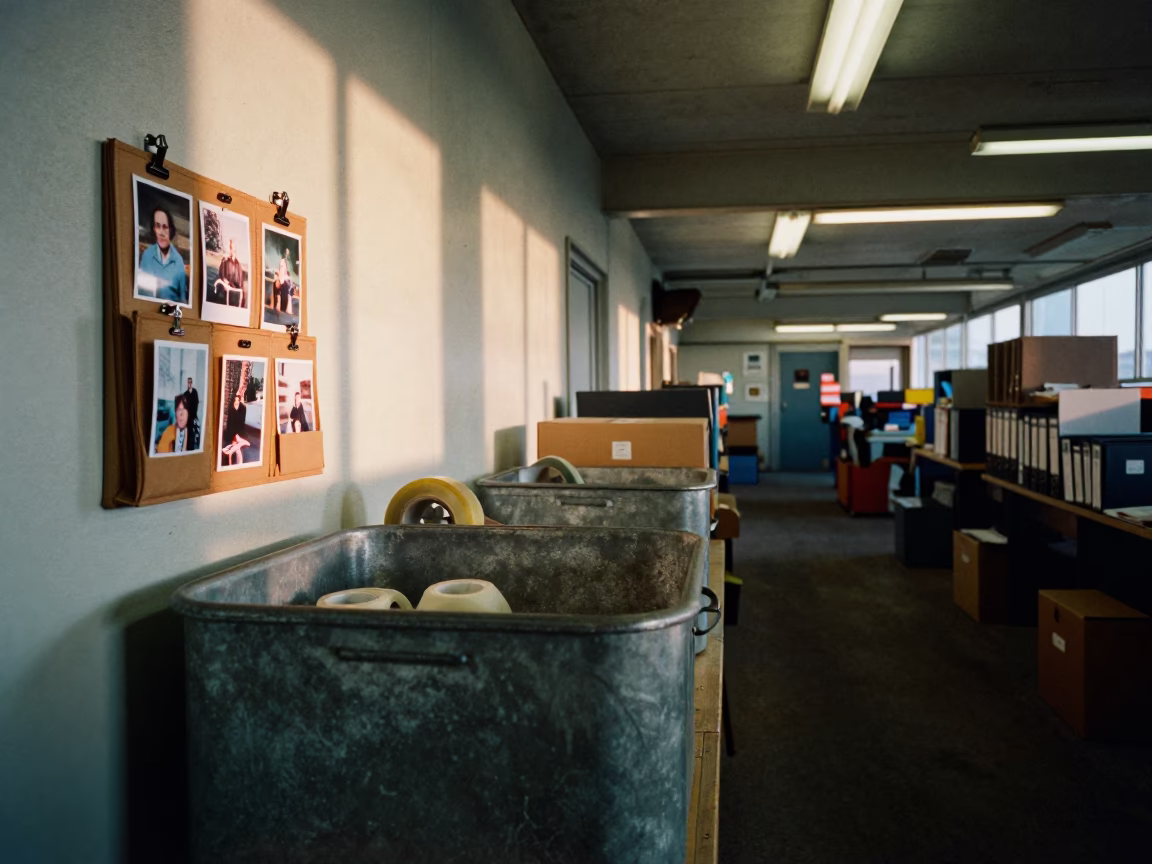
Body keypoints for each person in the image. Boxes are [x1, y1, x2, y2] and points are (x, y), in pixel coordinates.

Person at [138, 204, 188, 303]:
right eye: (157, 226)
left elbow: (183, 298)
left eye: (165, 227)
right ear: (154, 229)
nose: (161, 232)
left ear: (171, 230)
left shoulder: (178, 260)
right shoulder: (147, 255)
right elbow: (144, 295)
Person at [221, 394, 250, 465]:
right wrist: (233, 435)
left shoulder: (242, 408)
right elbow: (230, 423)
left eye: (238, 400)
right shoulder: (231, 409)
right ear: (233, 401)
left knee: (243, 445)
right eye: (235, 400)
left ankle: (229, 450)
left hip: (240, 433)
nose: (237, 402)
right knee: (237, 450)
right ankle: (234, 462)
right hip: (233, 433)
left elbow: (241, 422)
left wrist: (237, 435)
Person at [214, 238, 244, 306]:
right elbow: (221, 276)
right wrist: (225, 283)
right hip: (224, 295)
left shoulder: (238, 265)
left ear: (235, 250)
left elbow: (240, 284)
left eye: (231, 248)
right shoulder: (224, 261)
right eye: (229, 247)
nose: (230, 250)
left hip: (234, 296)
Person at [273, 247, 295, 313]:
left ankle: (284, 310)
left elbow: (290, 274)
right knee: (278, 296)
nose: (286, 254)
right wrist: (277, 279)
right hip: (280, 280)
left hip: (286, 282)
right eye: (285, 253)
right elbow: (278, 270)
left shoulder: (289, 263)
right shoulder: (281, 261)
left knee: (285, 296)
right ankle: (277, 309)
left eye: (287, 253)